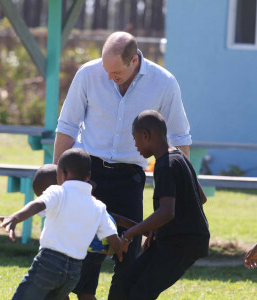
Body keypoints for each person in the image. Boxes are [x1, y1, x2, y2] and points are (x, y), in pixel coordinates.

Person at [53, 31, 192, 300]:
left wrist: (183, 192)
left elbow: (179, 138)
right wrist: (59, 177)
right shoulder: (87, 73)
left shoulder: (164, 83)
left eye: (115, 71)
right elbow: (67, 125)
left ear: (134, 61)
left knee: (128, 252)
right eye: (105, 69)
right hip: (87, 174)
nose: (108, 77)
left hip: (130, 177)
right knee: (86, 252)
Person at [0, 148, 123, 300]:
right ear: (88, 176)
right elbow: (113, 238)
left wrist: (15, 217)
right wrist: (122, 245)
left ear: (61, 173)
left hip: (49, 262)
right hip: (74, 271)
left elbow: (38, 205)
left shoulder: (57, 191)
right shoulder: (98, 206)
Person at [118, 110, 210, 299]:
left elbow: (167, 212)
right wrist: (159, 229)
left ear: (146, 135)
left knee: (141, 293)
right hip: (175, 239)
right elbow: (200, 197)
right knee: (127, 281)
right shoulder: (179, 156)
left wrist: (129, 234)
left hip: (183, 243)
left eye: (135, 139)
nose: (136, 146)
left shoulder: (164, 165)